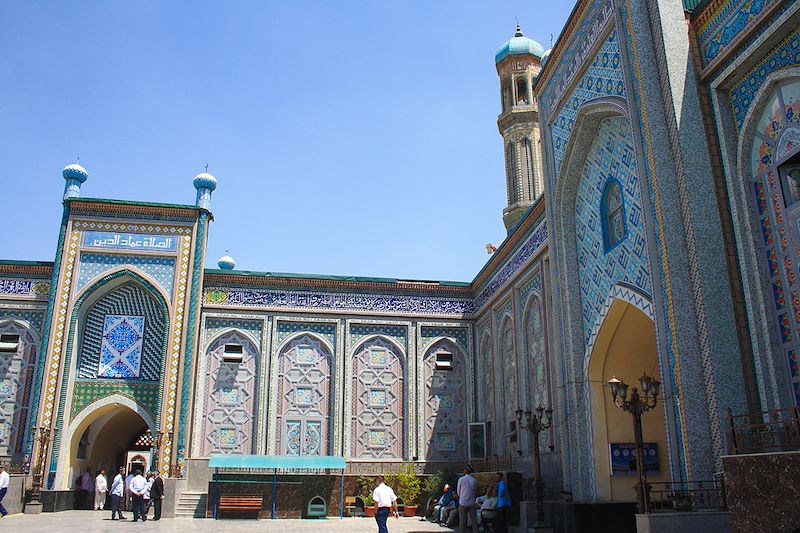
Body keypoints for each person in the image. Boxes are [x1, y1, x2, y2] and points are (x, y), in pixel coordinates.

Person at [456, 465, 479, 533]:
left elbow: (458, 491)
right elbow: (475, 491)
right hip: (471, 502)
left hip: (463, 502)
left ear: (466, 470)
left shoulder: (461, 479)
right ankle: (475, 531)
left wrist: (462, 497)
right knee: (473, 520)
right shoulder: (474, 480)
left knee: (462, 520)